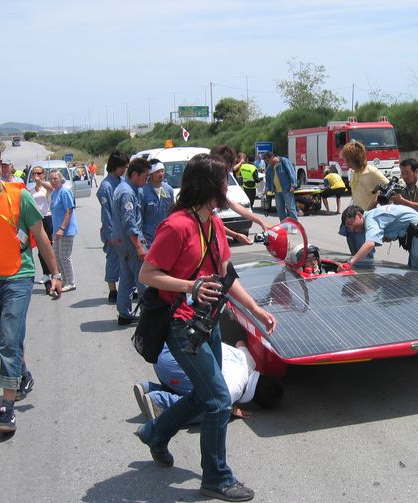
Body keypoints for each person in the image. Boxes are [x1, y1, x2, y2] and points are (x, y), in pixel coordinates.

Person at [136, 153, 276, 502]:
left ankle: (156, 432)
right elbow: (147, 275)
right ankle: (216, 477)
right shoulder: (177, 225)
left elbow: (227, 275)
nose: (228, 186)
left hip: (209, 321)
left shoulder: (212, 223)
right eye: (224, 180)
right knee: (217, 400)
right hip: (183, 325)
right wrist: (191, 286)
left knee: (204, 395)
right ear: (209, 185)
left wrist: (256, 309)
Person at [0, 142, 63, 433]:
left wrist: (55, 274)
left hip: (19, 275)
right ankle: (21, 374)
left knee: (10, 338)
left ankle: (6, 408)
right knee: (3, 338)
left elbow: (41, 235)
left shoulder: (19, 197)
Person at [133, 340, 283, 422]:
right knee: (206, 409)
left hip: (166, 347)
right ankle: (160, 402)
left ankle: (149, 388)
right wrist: (231, 409)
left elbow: (240, 342)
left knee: (201, 380)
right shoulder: (236, 387)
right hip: (171, 366)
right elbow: (216, 405)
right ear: (255, 400)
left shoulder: (249, 362)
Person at [339, 204, 418, 273]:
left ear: (359, 215)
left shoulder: (371, 220)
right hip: (414, 235)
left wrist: (351, 262)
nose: (351, 229)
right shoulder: (372, 215)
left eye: (350, 224)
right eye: (348, 227)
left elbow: (370, 244)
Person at [112, 157, 150, 325]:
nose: (146, 180)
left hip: (121, 242)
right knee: (143, 278)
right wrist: (139, 246)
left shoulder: (123, 188)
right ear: (135, 174)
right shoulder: (127, 192)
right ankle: (146, 315)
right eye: (145, 177)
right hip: (130, 242)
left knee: (126, 278)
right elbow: (130, 223)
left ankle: (124, 314)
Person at [210, 145, 270, 244]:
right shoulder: (209, 189)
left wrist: (260, 221)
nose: (227, 185)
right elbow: (213, 223)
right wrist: (236, 235)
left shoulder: (214, 183)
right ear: (228, 164)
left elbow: (233, 204)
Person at [339, 141, 388, 263]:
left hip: (364, 220)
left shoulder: (371, 172)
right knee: (355, 254)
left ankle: (367, 279)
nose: (345, 163)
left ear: (353, 159)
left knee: (365, 257)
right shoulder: (353, 173)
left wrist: (376, 202)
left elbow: (389, 188)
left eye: (346, 160)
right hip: (352, 217)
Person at [97, 151, 128, 303]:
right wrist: (109, 235)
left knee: (126, 261)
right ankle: (112, 290)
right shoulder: (106, 186)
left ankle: (127, 288)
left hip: (124, 230)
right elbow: (106, 213)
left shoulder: (122, 181)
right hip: (113, 231)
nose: (124, 170)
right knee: (113, 260)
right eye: (122, 167)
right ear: (114, 166)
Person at [49, 170, 78, 292]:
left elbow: (69, 210)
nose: (53, 181)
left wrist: (62, 228)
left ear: (61, 179)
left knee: (65, 257)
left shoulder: (64, 192)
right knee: (57, 257)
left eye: (55, 179)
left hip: (66, 231)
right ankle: (65, 280)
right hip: (56, 231)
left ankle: (71, 282)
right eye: (51, 179)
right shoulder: (54, 193)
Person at [30, 167, 55, 284]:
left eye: (39, 173)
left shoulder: (46, 187)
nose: (36, 175)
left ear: (43, 174)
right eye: (34, 173)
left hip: (48, 217)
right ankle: (46, 273)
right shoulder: (31, 190)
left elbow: (51, 189)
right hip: (38, 219)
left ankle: (56, 272)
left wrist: (40, 182)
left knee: (51, 245)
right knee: (41, 248)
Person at [141, 160, 174, 245]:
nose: (161, 174)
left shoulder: (169, 190)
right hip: (148, 237)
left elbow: (172, 211)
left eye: (162, 171)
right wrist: (140, 237)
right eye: (157, 172)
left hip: (164, 234)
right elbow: (139, 216)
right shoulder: (143, 191)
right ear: (151, 174)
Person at [264, 151, 298, 221]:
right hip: (277, 191)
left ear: (272, 157)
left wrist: (293, 185)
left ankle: (295, 226)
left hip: (287, 189)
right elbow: (268, 179)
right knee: (279, 209)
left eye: (268, 160)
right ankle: (284, 225)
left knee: (290, 208)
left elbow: (291, 172)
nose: (267, 162)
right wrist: (267, 188)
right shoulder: (270, 167)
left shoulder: (283, 161)